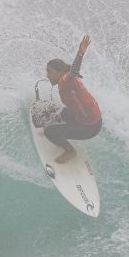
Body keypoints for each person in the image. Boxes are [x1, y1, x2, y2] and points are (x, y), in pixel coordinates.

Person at [44, 35, 102, 163]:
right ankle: (64, 129)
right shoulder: (65, 79)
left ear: (59, 72)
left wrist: (80, 53)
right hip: (88, 118)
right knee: (60, 112)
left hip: (89, 127)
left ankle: (70, 151)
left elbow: (74, 71)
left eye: (50, 72)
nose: (47, 76)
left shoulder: (66, 80)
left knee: (49, 132)